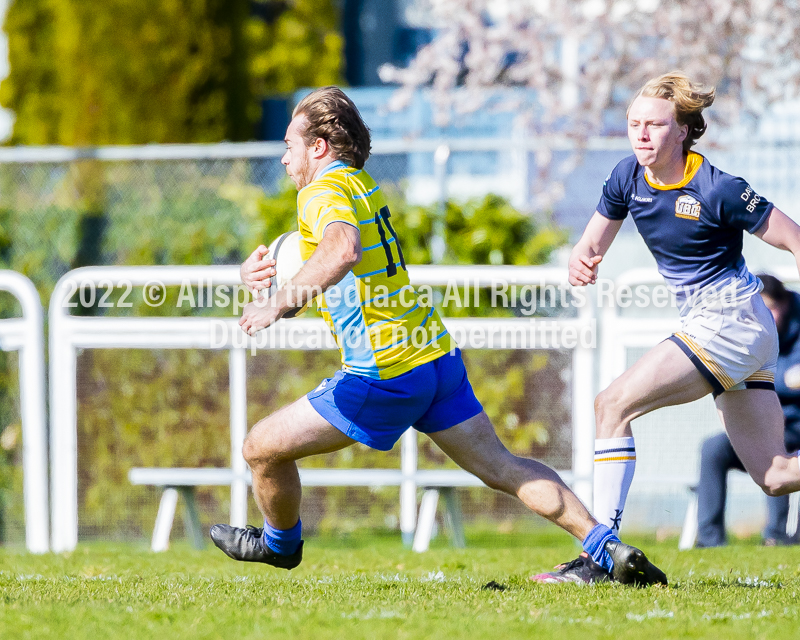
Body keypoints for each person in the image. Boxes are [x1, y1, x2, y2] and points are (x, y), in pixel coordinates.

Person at [209, 86, 666, 586]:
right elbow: (341, 269)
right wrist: (273, 270)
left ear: (318, 147)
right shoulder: (359, 184)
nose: (283, 157)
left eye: (290, 144)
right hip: (433, 358)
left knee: (259, 448)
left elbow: (340, 250)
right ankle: (607, 547)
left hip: (383, 372)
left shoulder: (318, 191)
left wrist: (278, 300)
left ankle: (280, 546)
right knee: (501, 466)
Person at [568, 71, 800, 549]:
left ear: (683, 129)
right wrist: (581, 257)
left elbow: (794, 238)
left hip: (731, 320)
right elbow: (593, 241)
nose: (642, 135)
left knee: (611, 405)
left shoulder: (721, 189)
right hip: (728, 328)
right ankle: (603, 549)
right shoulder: (626, 176)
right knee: (776, 475)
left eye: (653, 125)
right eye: (634, 124)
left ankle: (599, 551)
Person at [697, 275, 800, 547]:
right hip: (762, 425)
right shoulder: (748, 329)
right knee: (713, 449)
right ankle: (710, 541)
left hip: (794, 429)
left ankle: (777, 536)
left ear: (785, 303)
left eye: (768, 309)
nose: (761, 315)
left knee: (778, 448)